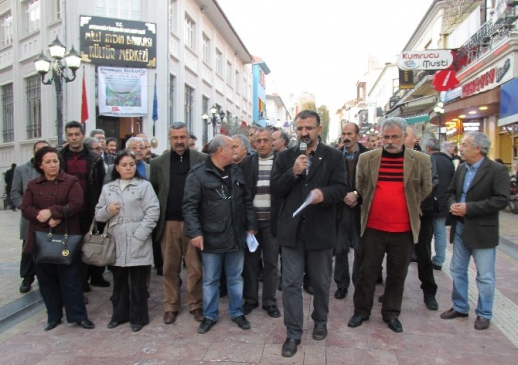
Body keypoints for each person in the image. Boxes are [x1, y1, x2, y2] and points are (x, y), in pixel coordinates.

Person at [271, 110, 347, 357]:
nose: (304, 133)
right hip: (292, 232)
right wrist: (293, 172)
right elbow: (276, 189)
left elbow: (341, 188)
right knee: (291, 284)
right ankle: (293, 333)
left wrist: (324, 195)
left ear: (318, 128)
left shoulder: (334, 156)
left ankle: (321, 320)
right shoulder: (285, 157)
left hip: (320, 231)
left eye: (309, 128)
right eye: (300, 128)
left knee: (321, 283)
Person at [347, 117, 431, 333]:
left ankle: (391, 313)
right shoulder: (367, 158)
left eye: (395, 137)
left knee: (397, 274)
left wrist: (406, 204)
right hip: (374, 227)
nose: (390, 141)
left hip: (403, 230)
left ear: (404, 137)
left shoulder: (420, 160)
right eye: (386, 137)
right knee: (367, 273)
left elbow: (425, 189)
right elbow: (361, 186)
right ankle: (361, 311)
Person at [183, 134, 258, 334]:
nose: (236, 151)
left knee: (235, 277)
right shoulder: (198, 174)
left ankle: (236, 312)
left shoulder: (237, 171)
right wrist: (195, 233)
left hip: (236, 234)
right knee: (211, 280)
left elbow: (247, 201)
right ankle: (209, 315)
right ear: (220, 151)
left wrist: (251, 225)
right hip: (211, 236)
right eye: (232, 147)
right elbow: (189, 207)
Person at [21, 146, 95, 331]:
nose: (53, 165)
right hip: (40, 239)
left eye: (55, 161)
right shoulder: (33, 184)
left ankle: (78, 316)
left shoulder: (70, 181)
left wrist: (54, 213)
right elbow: (25, 207)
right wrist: (42, 216)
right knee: (47, 281)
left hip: (65, 237)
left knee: (71, 280)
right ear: (40, 165)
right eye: (48, 162)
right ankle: (53, 316)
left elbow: (77, 203)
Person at [440, 131, 509, 330]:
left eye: (464, 145)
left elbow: (501, 199)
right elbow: (451, 192)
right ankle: (460, 306)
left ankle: (484, 313)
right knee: (457, 270)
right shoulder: (461, 168)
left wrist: (469, 208)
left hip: (482, 230)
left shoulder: (496, 170)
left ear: (478, 148)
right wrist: (453, 205)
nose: (460, 148)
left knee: (485, 275)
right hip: (460, 227)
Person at [95, 150, 159, 332]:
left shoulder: (144, 186)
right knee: (119, 281)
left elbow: (153, 211)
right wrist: (108, 210)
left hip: (138, 237)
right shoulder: (109, 188)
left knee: (138, 282)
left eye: (131, 164)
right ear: (117, 167)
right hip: (116, 239)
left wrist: (140, 234)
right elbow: (98, 214)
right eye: (124, 165)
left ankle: (139, 317)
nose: (128, 168)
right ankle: (119, 315)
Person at [150, 122, 206, 325]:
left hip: (194, 224)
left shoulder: (202, 159)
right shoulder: (158, 163)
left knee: (195, 268)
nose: (179, 141)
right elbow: (155, 191)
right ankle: (171, 306)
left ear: (188, 137)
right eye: (175, 138)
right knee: (170, 267)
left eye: (182, 137)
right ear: (169, 139)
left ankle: (196, 304)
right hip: (169, 223)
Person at [60, 121, 107, 296]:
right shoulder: (59, 157)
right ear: (66, 136)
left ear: (82, 135)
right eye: (70, 134)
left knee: (87, 251)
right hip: (66, 213)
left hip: (88, 212)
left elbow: (102, 185)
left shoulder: (94, 159)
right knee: (69, 253)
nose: (73, 138)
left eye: (76, 134)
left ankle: (83, 284)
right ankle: (75, 289)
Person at [241, 128, 280, 318]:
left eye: (266, 140)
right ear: (254, 143)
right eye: (259, 141)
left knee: (272, 263)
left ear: (272, 142)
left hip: (273, 223)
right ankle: (250, 299)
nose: (263, 144)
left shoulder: (282, 162)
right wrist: (248, 222)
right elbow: (243, 195)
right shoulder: (247, 163)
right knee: (251, 263)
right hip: (253, 224)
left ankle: (269, 301)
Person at [403, 126, 439, 311]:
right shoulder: (390, 158)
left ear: (414, 138)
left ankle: (429, 292)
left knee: (423, 255)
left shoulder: (425, 159)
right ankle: (394, 290)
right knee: (397, 256)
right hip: (399, 215)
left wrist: (413, 200)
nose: (401, 138)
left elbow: (431, 183)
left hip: (421, 214)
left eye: (405, 135)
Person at [333, 122, 369, 300]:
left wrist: (356, 194)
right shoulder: (336, 156)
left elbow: (371, 183)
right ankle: (341, 284)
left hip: (360, 210)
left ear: (357, 135)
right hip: (340, 209)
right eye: (344, 134)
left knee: (361, 249)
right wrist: (343, 196)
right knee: (340, 249)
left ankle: (358, 282)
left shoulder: (368, 155)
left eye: (349, 134)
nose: (346, 137)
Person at [11, 140, 49, 293]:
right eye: (38, 149)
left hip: (47, 217)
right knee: (28, 249)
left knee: (47, 248)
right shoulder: (21, 170)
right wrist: (24, 206)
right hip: (29, 218)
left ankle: (45, 278)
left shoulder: (52, 168)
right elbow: (15, 192)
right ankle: (27, 278)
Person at [424, 137, 455, 270]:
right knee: (440, 231)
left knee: (426, 232)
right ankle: (439, 259)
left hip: (431, 201)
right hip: (444, 202)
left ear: (428, 149)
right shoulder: (449, 162)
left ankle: (426, 256)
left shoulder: (429, 160)